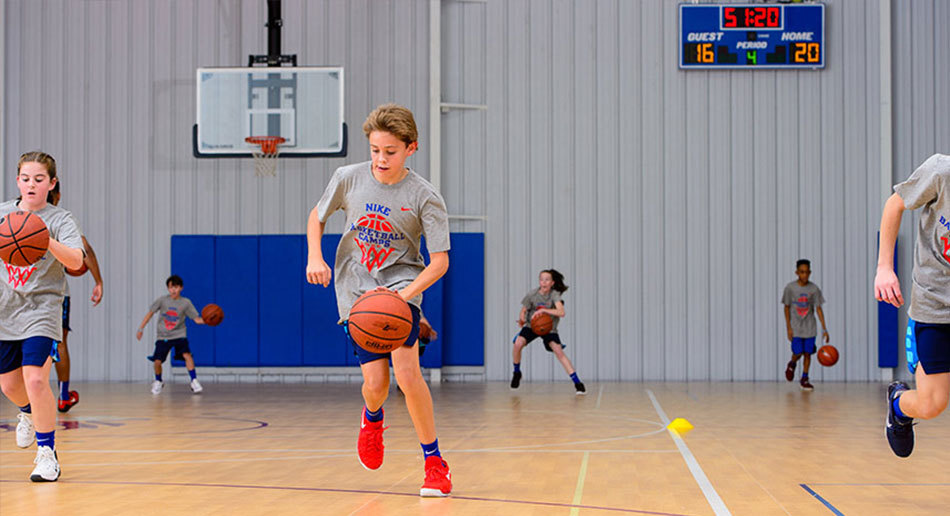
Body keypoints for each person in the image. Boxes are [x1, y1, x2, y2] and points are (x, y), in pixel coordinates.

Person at [306, 103, 453, 497]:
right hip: (356, 292)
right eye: (375, 150)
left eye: (390, 151)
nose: (381, 159)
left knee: (407, 375)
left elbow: (440, 261)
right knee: (376, 383)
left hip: (401, 286)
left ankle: (434, 462)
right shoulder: (348, 178)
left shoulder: (424, 196)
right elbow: (317, 216)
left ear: (411, 148)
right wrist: (315, 256)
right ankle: (372, 418)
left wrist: (404, 296)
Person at [1, 151, 85, 481]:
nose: (31, 184)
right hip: (6, 308)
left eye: (39, 179)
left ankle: (47, 453)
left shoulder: (62, 219)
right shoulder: (4, 216)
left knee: (35, 379)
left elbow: (77, 261)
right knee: (9, 386)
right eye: (25, 178)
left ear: (52, 183)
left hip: (43, 309)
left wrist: (43, 238)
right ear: (17, 180)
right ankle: (25, 412)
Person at [875, 153, 950, 458]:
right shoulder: (941, 172)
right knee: (932, 405)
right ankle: (898, 404)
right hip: (934, 305)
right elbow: (896, 204)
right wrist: (884, 267)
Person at [49, 184, 104, 412]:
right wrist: (98, 281)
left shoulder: (15, 214)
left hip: (18, 290)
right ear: (58, 194)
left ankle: (25, 398)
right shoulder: (62, 220)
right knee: (59, 343)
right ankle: (63, 395)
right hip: (55, 293)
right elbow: (86, 249)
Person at [510, 269, 586, 395]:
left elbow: (561, 312)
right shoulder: (532, 295)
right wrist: (522, 318)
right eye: (541, 279)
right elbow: (523, 310)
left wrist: (544, 311)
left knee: (558, 351)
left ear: (552, 283)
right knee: (518, 344)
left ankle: (578, 383)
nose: (543, 282)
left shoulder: (554, 295)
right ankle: (517, 372)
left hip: (549, 328)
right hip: (532, 326)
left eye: (547, 279)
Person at [135, 275, 205, 395]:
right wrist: (140, 329)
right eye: (171, 287)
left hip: (179, 334)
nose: (173, 290)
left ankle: (194, 380)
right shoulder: (162, 301)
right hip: (164, 336)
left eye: (176, 287)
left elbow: (197, 319)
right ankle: (158, 381)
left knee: (187, 355)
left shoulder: (186, 303)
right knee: (157, 361)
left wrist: (208, 320)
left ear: (181, 288)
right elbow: (150, 314)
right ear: (168, 288)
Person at [782, 259, 829, 391]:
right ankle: (792, 363)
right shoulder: (790, 288)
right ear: (797, 272)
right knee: (798, 352)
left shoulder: (813, 289)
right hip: (796, 327)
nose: (804, 275)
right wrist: (788, 327)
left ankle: (805, 377)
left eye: (807, 272)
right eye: (802, 272)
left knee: (808, 353)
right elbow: (786, 308)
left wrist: (824, 329)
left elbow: (818, 309)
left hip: (810, 327)